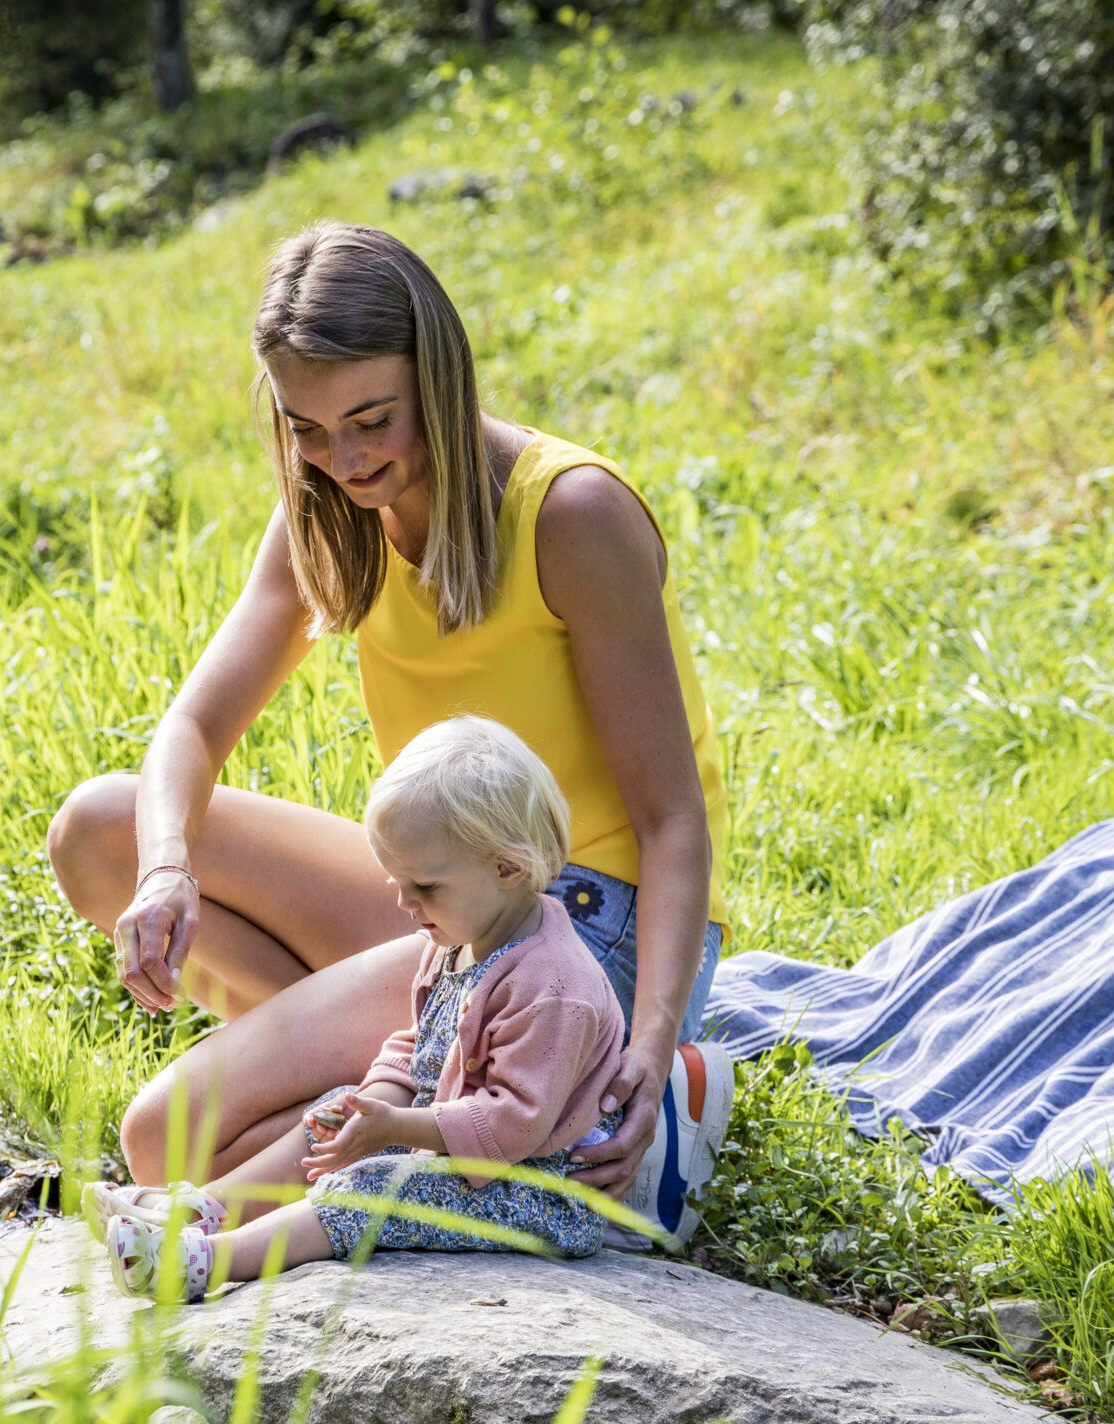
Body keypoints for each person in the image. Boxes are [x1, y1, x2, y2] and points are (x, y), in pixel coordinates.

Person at [47, 220, 733, 1248]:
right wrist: (162, 873)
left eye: (372, 419)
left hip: (582, 926)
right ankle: (450, 1090)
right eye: (308, 430)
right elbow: (191, 725)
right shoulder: (329, 510)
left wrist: (648, 1037)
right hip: (439, 907)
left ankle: (579, 1091)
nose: (346, 459)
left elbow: (671, 817)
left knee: (169, 1152)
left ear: (438, 378)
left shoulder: (571, 515)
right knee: (102, 830)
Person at [81, 718, 629, 1299]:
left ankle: (205, 1262)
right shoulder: (458, 941)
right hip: (465, 1153)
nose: (403, 902)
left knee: (376, 1185)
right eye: (396, 881)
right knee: (328, 1118)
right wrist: (371, 1103)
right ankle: (203, 1209)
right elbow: (418, 1046)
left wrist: (396, 1127)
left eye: (424, 885)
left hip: (538, 1189)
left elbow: (517, 1121)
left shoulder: (553, 986)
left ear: (508, 869)